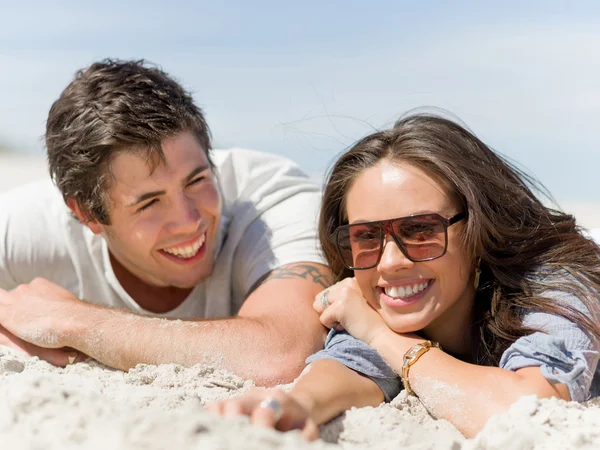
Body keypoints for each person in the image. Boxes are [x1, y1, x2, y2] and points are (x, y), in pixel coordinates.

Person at [208, 113, 600, 438]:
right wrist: (295, 403)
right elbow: (351, 365)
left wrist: (382, 336)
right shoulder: (375, 297)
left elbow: (526, 410)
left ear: (478, 229)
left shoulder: (554, 281)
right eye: (366, 236)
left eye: (421, 230)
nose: (390, 261)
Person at [0, 59, 331, 385]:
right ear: (88, 214)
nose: (189, 222)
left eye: (196, 180)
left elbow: (281, 354)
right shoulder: (31, 224)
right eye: (150, 203)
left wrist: (73, 321)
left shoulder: (272, 198)